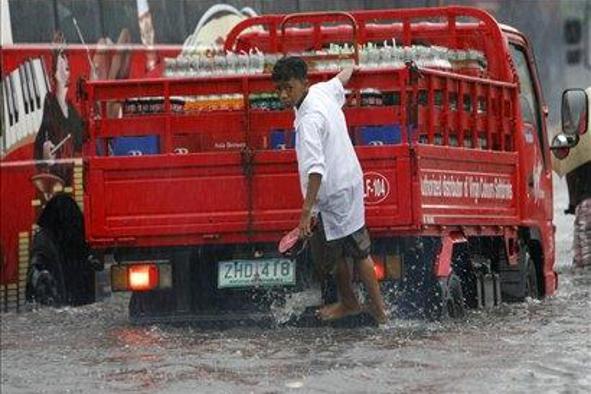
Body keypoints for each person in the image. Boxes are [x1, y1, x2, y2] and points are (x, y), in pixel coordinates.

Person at [272, 56, 387, 324]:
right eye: (279, 89)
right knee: (357, 249)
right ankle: (377, 313)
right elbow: (341, 79)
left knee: (337, 256)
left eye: (288, 88)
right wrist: (353, 66)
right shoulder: (322, 91)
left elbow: (315, 171)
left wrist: (305, 213)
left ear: (303, 83)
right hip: (350, 181)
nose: (283, 95)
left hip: (333, 193)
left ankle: (354, 304)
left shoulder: (309, 119)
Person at [33, 34, 84, 185]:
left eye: (66, 55)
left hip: (74, 182)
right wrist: (45, 152)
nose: (66, 60)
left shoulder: (73, 111)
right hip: (55, 183)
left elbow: (83, 142)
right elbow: (42, 139)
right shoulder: (49, 101)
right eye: (62, 56)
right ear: (54, 70)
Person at [565, 161, 591, 268]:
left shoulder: (578, 159)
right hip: (584, 203)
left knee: (583, 241)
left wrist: (572, 204)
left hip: (584, 202)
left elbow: (571, 178)